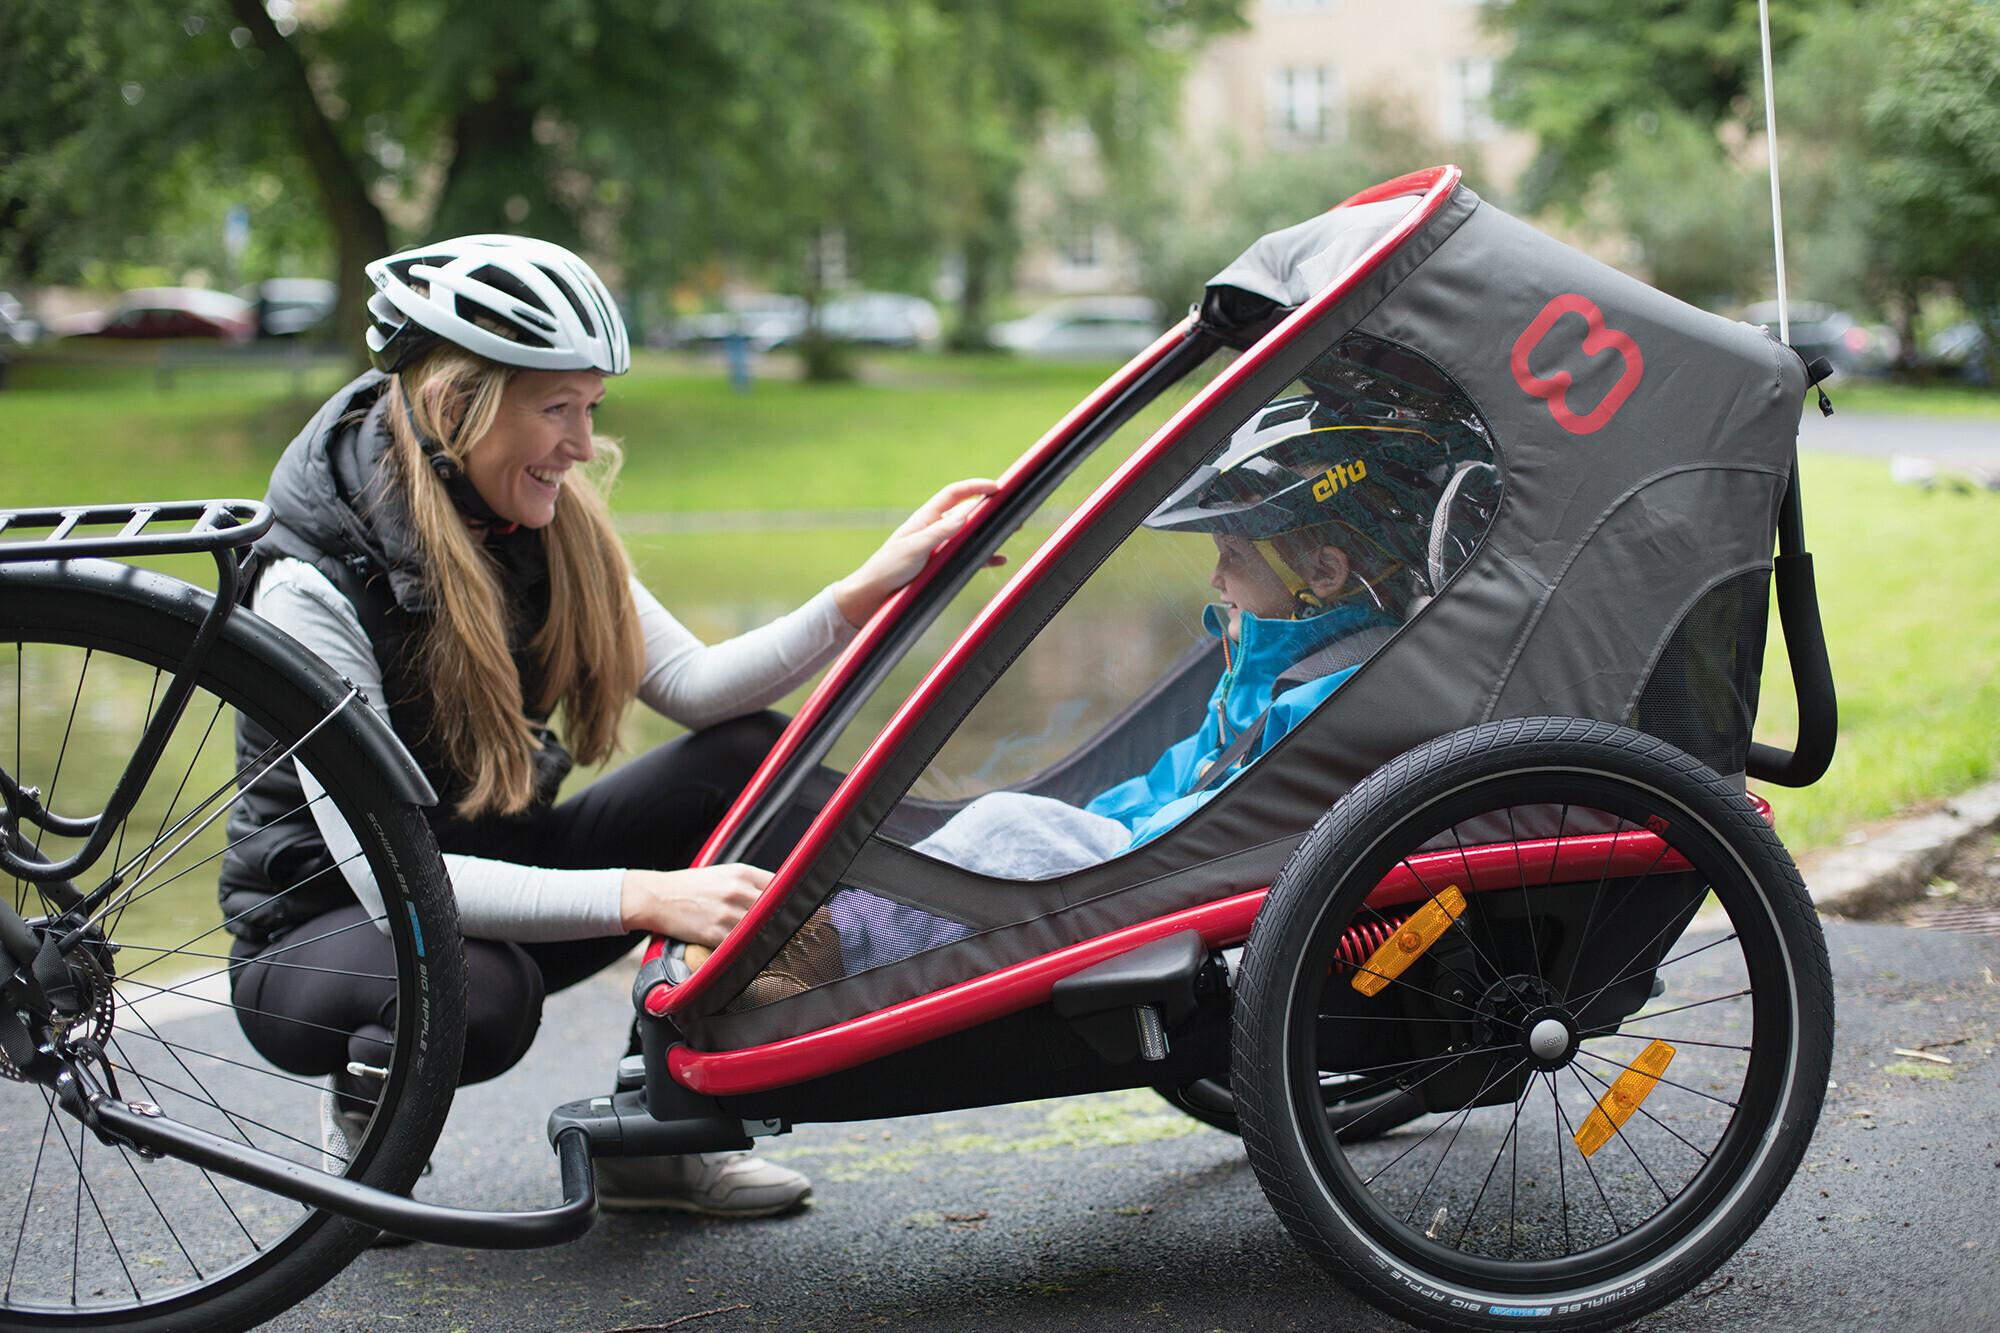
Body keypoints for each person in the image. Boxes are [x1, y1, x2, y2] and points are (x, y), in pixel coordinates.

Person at [218, 234, 998, 1219]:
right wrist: (646, 897)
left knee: (747, 756)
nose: (582, 447)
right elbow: (388, 877)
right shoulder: (315, 577)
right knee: (480, 992)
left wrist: (866, 591)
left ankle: (653, 1134)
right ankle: (369, 1143)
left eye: (590, 408)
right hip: (328, 933)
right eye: (556, 409)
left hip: (494, 871)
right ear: (459, 403)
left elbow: (697, 685)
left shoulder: (529, 519)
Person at [796, 394, 1499, 985]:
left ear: (1323, 572)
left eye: (1233, 557)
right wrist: (1103, 819)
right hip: (1165, 857)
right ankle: (822, 933)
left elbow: (1240, 820)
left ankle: (830, 957)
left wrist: (1121, 847)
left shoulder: (1335, 691)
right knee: (1015, 825)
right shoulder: (1270, 669)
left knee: (1006, 828)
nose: (1216, 579)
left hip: (1182, 876)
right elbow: (1183, 776)